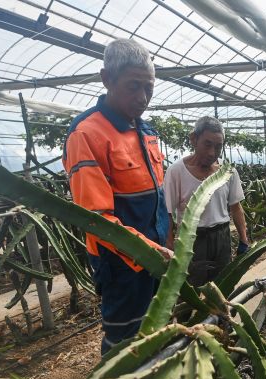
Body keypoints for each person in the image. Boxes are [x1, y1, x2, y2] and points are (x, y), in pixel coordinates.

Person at [63, 39, 172, 354]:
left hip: (157, 255)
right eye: (133, 86)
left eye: (149, 88)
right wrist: (150, 251)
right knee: (125, 339)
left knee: (159, 326)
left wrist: (166, 242)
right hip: (122, 262)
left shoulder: (147, 131)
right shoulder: (87, 134)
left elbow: (158, 198)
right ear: (107, 79)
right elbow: (96, 219)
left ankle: (158, 378)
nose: (142, 98)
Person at [164, 116, 249, 287]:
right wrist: (170, 245)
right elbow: (167, 213)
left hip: (222, 236)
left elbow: (236, 207)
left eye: (218, 146)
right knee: (191, 287)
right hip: (190, 239)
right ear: (194, 139)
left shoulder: (227, 171)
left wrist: (244, 239)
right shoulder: (176, 171)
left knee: (223, 285)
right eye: (207, 144)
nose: (212, 152)